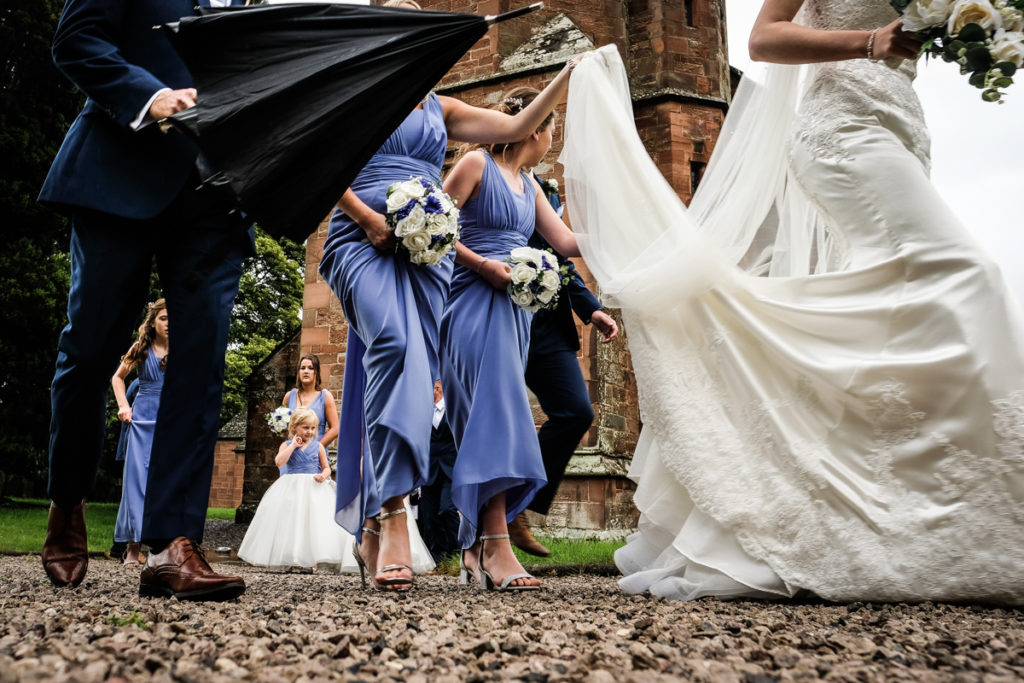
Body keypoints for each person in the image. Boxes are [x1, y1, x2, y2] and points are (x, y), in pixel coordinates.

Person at [560, 2, 1024, 603]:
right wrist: (870, 41)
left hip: (902, 126)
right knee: (966, 273)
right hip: (843, 133)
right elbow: (765, 38)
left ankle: (916, 515)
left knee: (907, 316)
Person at [318, 7, 578, 592]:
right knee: (392, 341)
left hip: (425, 251)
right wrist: (366, 218)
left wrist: (566, 75)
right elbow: (322, 160)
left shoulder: (444, 108)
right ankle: (390, 515)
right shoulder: (359, 91)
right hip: (362, 237)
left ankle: (382, 524)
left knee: (414, 364)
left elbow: (514, 129)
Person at [37, 0, 249, 599]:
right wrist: (149, 95)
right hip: (117, 175)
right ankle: (67, 498)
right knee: (88, 354)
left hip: (215, 192)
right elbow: (76, 41)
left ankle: (170, 545)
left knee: (201, 365)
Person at [439, 87, 583, 591]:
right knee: (495, 413)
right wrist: (483, 265)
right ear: (535, 128)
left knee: (498, 411)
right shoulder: (475, 164)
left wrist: (634, 223)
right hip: (472, 300)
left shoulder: (530, 185)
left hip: (515, 311)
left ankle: (475, 544)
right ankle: (496, 543)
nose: (551, 142)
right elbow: (435, 226)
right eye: (552, 131)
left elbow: (565, 243)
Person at [509, 176, 619, 558]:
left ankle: (517, 503)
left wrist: (592, 309)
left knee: (575, 411)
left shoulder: (543, 189)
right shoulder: (477, 175)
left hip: (548, 329)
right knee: (493, 420)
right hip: (496, 315)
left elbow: (559, 260)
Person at [237, 409, 350, 571]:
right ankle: (289, 558)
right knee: (290, 522)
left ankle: (310, 561)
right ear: (294, 427)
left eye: (313, 428)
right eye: (306, 428)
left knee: (310, 523)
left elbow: (326, 468)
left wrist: (323, 476)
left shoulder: (318, 446)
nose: (310, 431)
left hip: (313, 487)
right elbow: (279, 462)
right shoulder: (286, 445)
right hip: (291, 486)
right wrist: (293, 446)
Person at [111, 299, 169, 569]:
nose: (169, 324)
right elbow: (117, 378)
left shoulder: (181, 350)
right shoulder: (141, 348)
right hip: (142, 418)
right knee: (135, 482)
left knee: (164, 482)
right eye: (164, 319)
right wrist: (123, 406)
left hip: (169, 421)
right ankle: (132, 549)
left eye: (173, 320)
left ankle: (162, 547)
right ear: (153, 322)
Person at [416, 381, 461, 564]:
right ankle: (437, 555)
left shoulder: (454, 407)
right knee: (429, 514)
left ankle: (457, 550)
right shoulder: (422, 410)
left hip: (451, 467)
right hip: (428, 468)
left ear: (438, 387)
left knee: (447, 508)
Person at [108, 377, 139, 562]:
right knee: (131, 497)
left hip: (131, 447)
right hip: (133, 447)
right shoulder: (139, 385)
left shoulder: (137, 384)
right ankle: (121, 547)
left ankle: (119, 548)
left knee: (131, 497)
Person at [282, 354, 339, 449]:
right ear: (298, 372)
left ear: (316, 372)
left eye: (310, 368)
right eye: (302, 368)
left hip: (316, 455)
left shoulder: (325, 396)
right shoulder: (289, 396)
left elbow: (335, 429)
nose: (306, 371)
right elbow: (283, 428)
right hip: (293, 452)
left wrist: (316, 448)